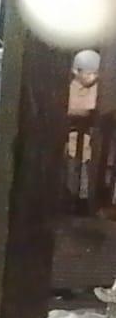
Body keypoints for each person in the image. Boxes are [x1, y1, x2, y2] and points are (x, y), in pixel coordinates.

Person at [67, 50, 101, 209]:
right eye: (88, 73)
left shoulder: (98, 89)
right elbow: (67, 107)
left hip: (90, 139)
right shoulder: (70, 88)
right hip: (70, 139)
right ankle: (70, 196)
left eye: (96, 74)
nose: (92, 77)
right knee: (71, 168)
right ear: (76, 71)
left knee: (86, 171)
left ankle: (83, 199)